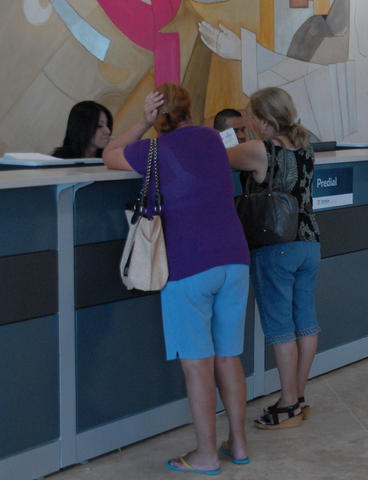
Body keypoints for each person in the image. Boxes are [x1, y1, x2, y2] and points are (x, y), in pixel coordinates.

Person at [103, 83, 251, 475]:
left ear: (159, 115)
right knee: (228, 356)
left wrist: (142, 122)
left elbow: (109, 154)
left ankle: (205, 455)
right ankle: (238, 444)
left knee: (197, 364)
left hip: (189, 265)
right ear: (190, 109)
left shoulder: (152, 150)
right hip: (235, 258)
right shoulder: (212, 139)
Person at [226, 87, 321, 429]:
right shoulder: (305, 146)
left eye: (250, 118)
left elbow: (215, 156)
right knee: (305, 322)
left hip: (276, 246)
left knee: (280, 328)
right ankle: (297, 397)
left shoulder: (259, 150)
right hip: (310, 243)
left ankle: (288, 404)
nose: (248, 124)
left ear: (264, 120)